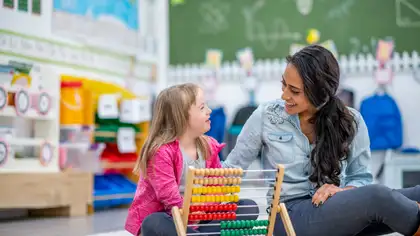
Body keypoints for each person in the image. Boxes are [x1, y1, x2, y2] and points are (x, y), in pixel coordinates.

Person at [222, 45, 420, 236]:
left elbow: (361, 178)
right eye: (283, 84)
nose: (284, 95)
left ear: (320, 93)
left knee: (416, 194)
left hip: (334, 210)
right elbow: (233, 168)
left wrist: (342, 191)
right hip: (288, 216)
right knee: (379, 197)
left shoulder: (351, 121)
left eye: (294, 91)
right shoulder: (266, 116)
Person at [125, 83, 259, 236]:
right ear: (181, 117)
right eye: (202, 108)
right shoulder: (160, 152)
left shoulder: (209, 146)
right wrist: (194, 212)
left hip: (200, 220)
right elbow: (170, 200)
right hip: (171, 219)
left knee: (248, 207)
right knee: (152, 222)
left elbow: (216, 189)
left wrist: (201, 208)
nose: (209, 111)